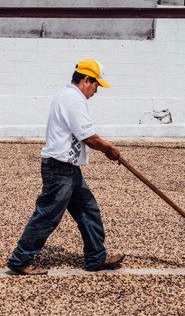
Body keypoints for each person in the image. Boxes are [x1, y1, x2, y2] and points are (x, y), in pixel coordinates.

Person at [7, 58, 126, 275]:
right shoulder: (73, 100)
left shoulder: (66, 96)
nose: (96, 91)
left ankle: (96, 257)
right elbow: (88, 137)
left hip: (69, 169)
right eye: (96, 85)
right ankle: (20, 259)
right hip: (59, 170)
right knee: (47, 215)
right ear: (86, 80)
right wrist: (109, 149)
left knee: (88, 210)